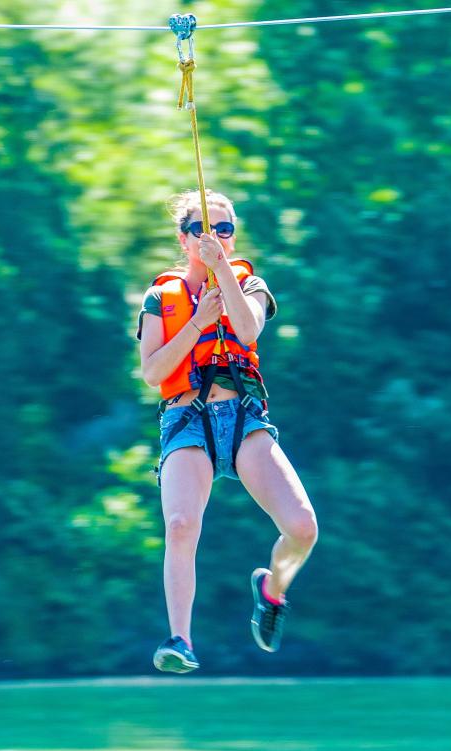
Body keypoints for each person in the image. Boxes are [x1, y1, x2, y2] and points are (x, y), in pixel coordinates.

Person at [136, 189, 319, 673]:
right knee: (180, 525)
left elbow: (247, 331)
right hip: (186, 416)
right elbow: (153, 372)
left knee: (302, 528)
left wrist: (224, 278)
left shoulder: (250, 284)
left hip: (241, 417)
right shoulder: (161, 298)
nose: (212, 238)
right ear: (183, 238)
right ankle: (180, 639)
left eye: (222, 230)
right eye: (200, 230)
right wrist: (197, 322)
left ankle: (271, 590)